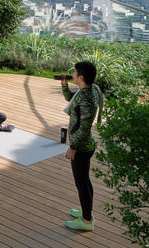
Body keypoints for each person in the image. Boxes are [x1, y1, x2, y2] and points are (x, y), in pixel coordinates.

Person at [61, 60, 104, 231]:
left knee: (82, 184)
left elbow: (85, 126)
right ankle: (86, 211)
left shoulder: (86, 98)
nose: (72, 75)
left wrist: (73, 147)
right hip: (86, 145)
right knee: (84, 182)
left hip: (82, 147)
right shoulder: (90, 89)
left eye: (74, 73)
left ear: (81, 77)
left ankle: (87, 221)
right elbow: (72, 101)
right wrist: (65, 85)